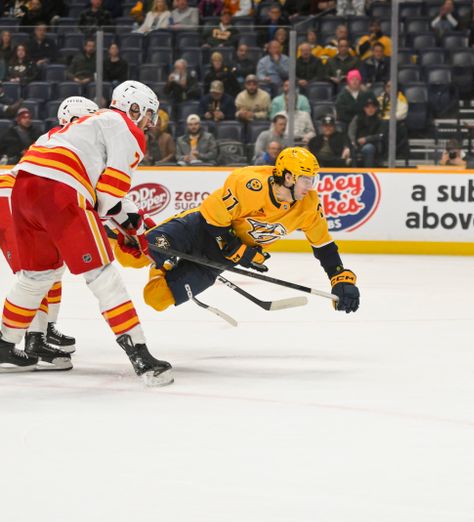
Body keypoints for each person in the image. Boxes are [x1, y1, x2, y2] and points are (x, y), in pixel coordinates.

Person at [0, 81, 173, 385]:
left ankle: (3, 345)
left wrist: (128, 227)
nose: (149, 123)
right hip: (60, 192)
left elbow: (101, 200)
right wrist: (132, 230)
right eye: (148, 115)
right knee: (103, 275)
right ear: (135, 108)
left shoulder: (81, 126)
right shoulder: (127, 129)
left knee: (37, 276)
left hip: (24, 191)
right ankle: (143, 358)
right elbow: (107, 198)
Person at [138, 147, 359, 318]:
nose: (310, 186)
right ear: (289, 177)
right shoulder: (251, 184)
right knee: (134, 254)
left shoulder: (308, 205)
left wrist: (339, 277)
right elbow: (212, 217)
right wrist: (235, 248)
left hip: (216, 260)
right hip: (199, 229)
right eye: (306, 179)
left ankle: (161, 266)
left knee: (156, 298)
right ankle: (153, 256)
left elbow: (323, 245)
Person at [0, 96, 98, 371]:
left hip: (14, 197)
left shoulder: (63, 139)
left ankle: (42, 331)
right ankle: (31, 339)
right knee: (36, 274)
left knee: (52, 268)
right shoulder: (71, 142)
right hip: (10, 198)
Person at [348, 96, 383, 167]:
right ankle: (353, 173)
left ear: (376, 108)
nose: (370, 109)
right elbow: (351, 131)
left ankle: (368, 172)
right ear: (364, 108)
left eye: (373, 107)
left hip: (374, 144)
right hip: (358, 143)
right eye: (368, 107)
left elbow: (381, 135)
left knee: (368, 148)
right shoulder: (358, 118)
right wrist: (353, 141)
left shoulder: (379, 119)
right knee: (350, 148)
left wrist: (366, 139)